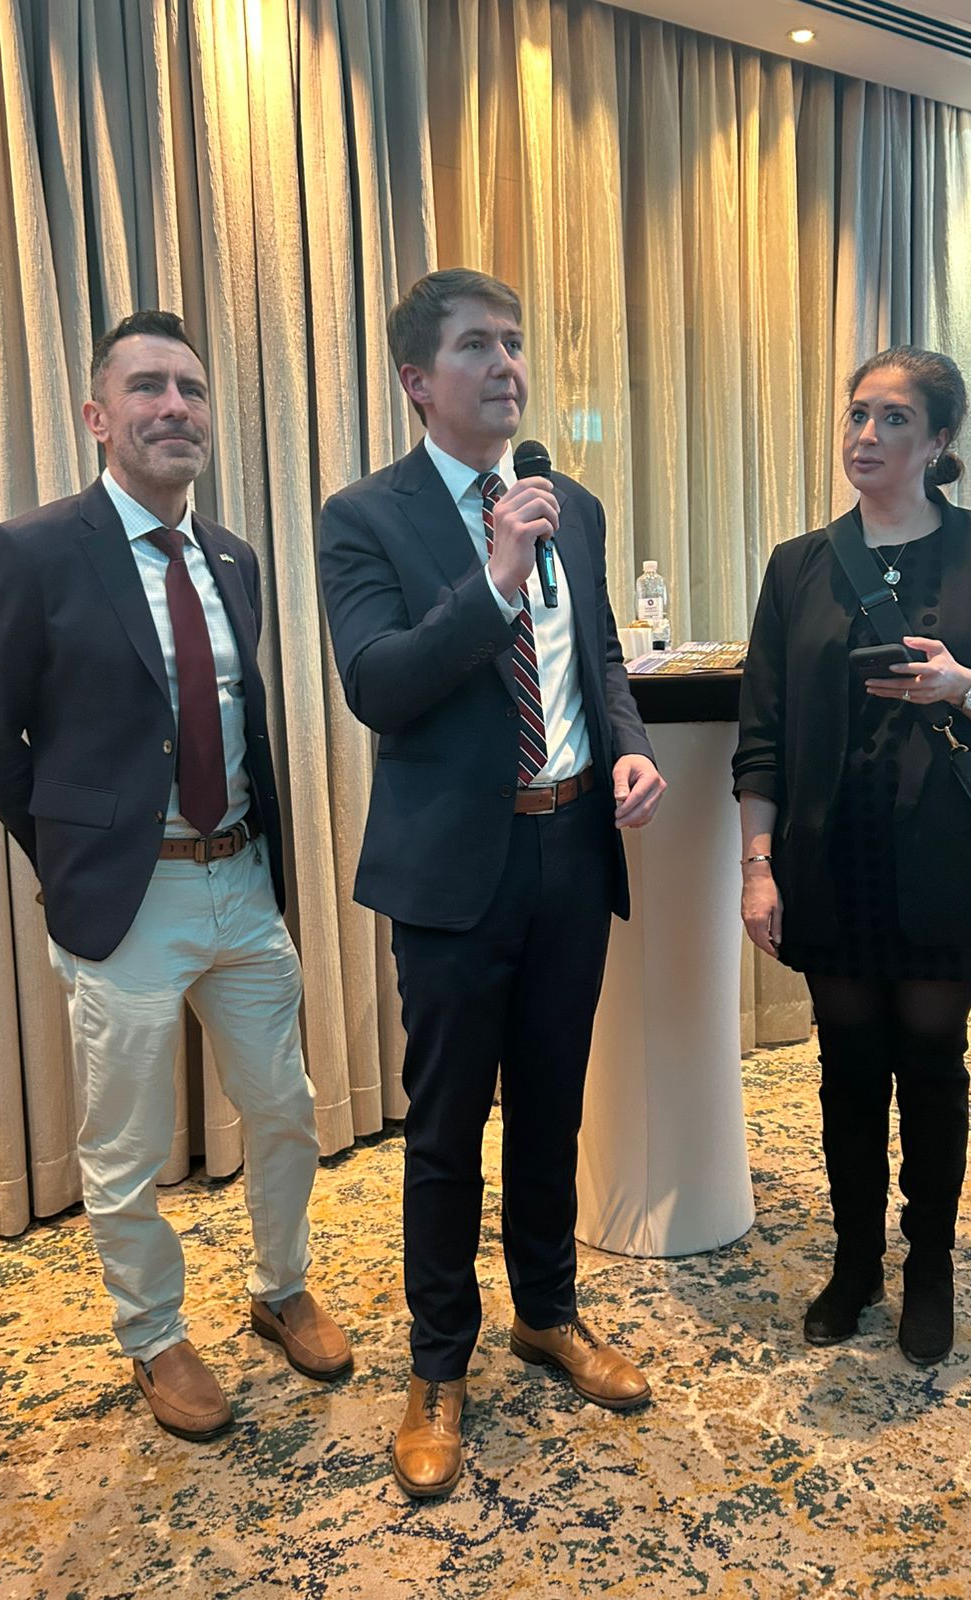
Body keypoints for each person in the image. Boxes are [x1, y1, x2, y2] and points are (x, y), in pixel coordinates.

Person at [0, 310, 351, 1442]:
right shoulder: (30, 552)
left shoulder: (233, 558)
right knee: (124, 1144)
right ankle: (154, 1334)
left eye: (191, 388)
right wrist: (71, 852)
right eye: (147, 387)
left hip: (243, 881)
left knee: (285, 1109)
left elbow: (235, 718)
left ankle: (281, 1287)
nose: (175, 406)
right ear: (97, 416)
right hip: (126, 905)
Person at [318, 268, 666, 1498]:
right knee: (446, 1126)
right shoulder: (365, 516)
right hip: (453, 870)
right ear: (419, 380)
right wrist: (497, 579)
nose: (507, 363)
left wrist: (626, 742)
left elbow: (600, 650)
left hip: (571, 848)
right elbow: (379, 683)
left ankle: (548, 1312)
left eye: (514, 341)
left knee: (554, 1105)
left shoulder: (574, 502)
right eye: (477, 345)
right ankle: (436, 1365)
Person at [733, 346, 971, 1366]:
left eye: (894, 420)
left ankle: (930, 1265)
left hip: (945, 863)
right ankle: (855, 1261)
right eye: (857, 415)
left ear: (939, 441)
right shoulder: (798, 564)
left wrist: (965, 686)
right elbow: (762, 733)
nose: (866, 436)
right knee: (844, 1072)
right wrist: (757, 864)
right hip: (831, 862)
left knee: (929, 1064)